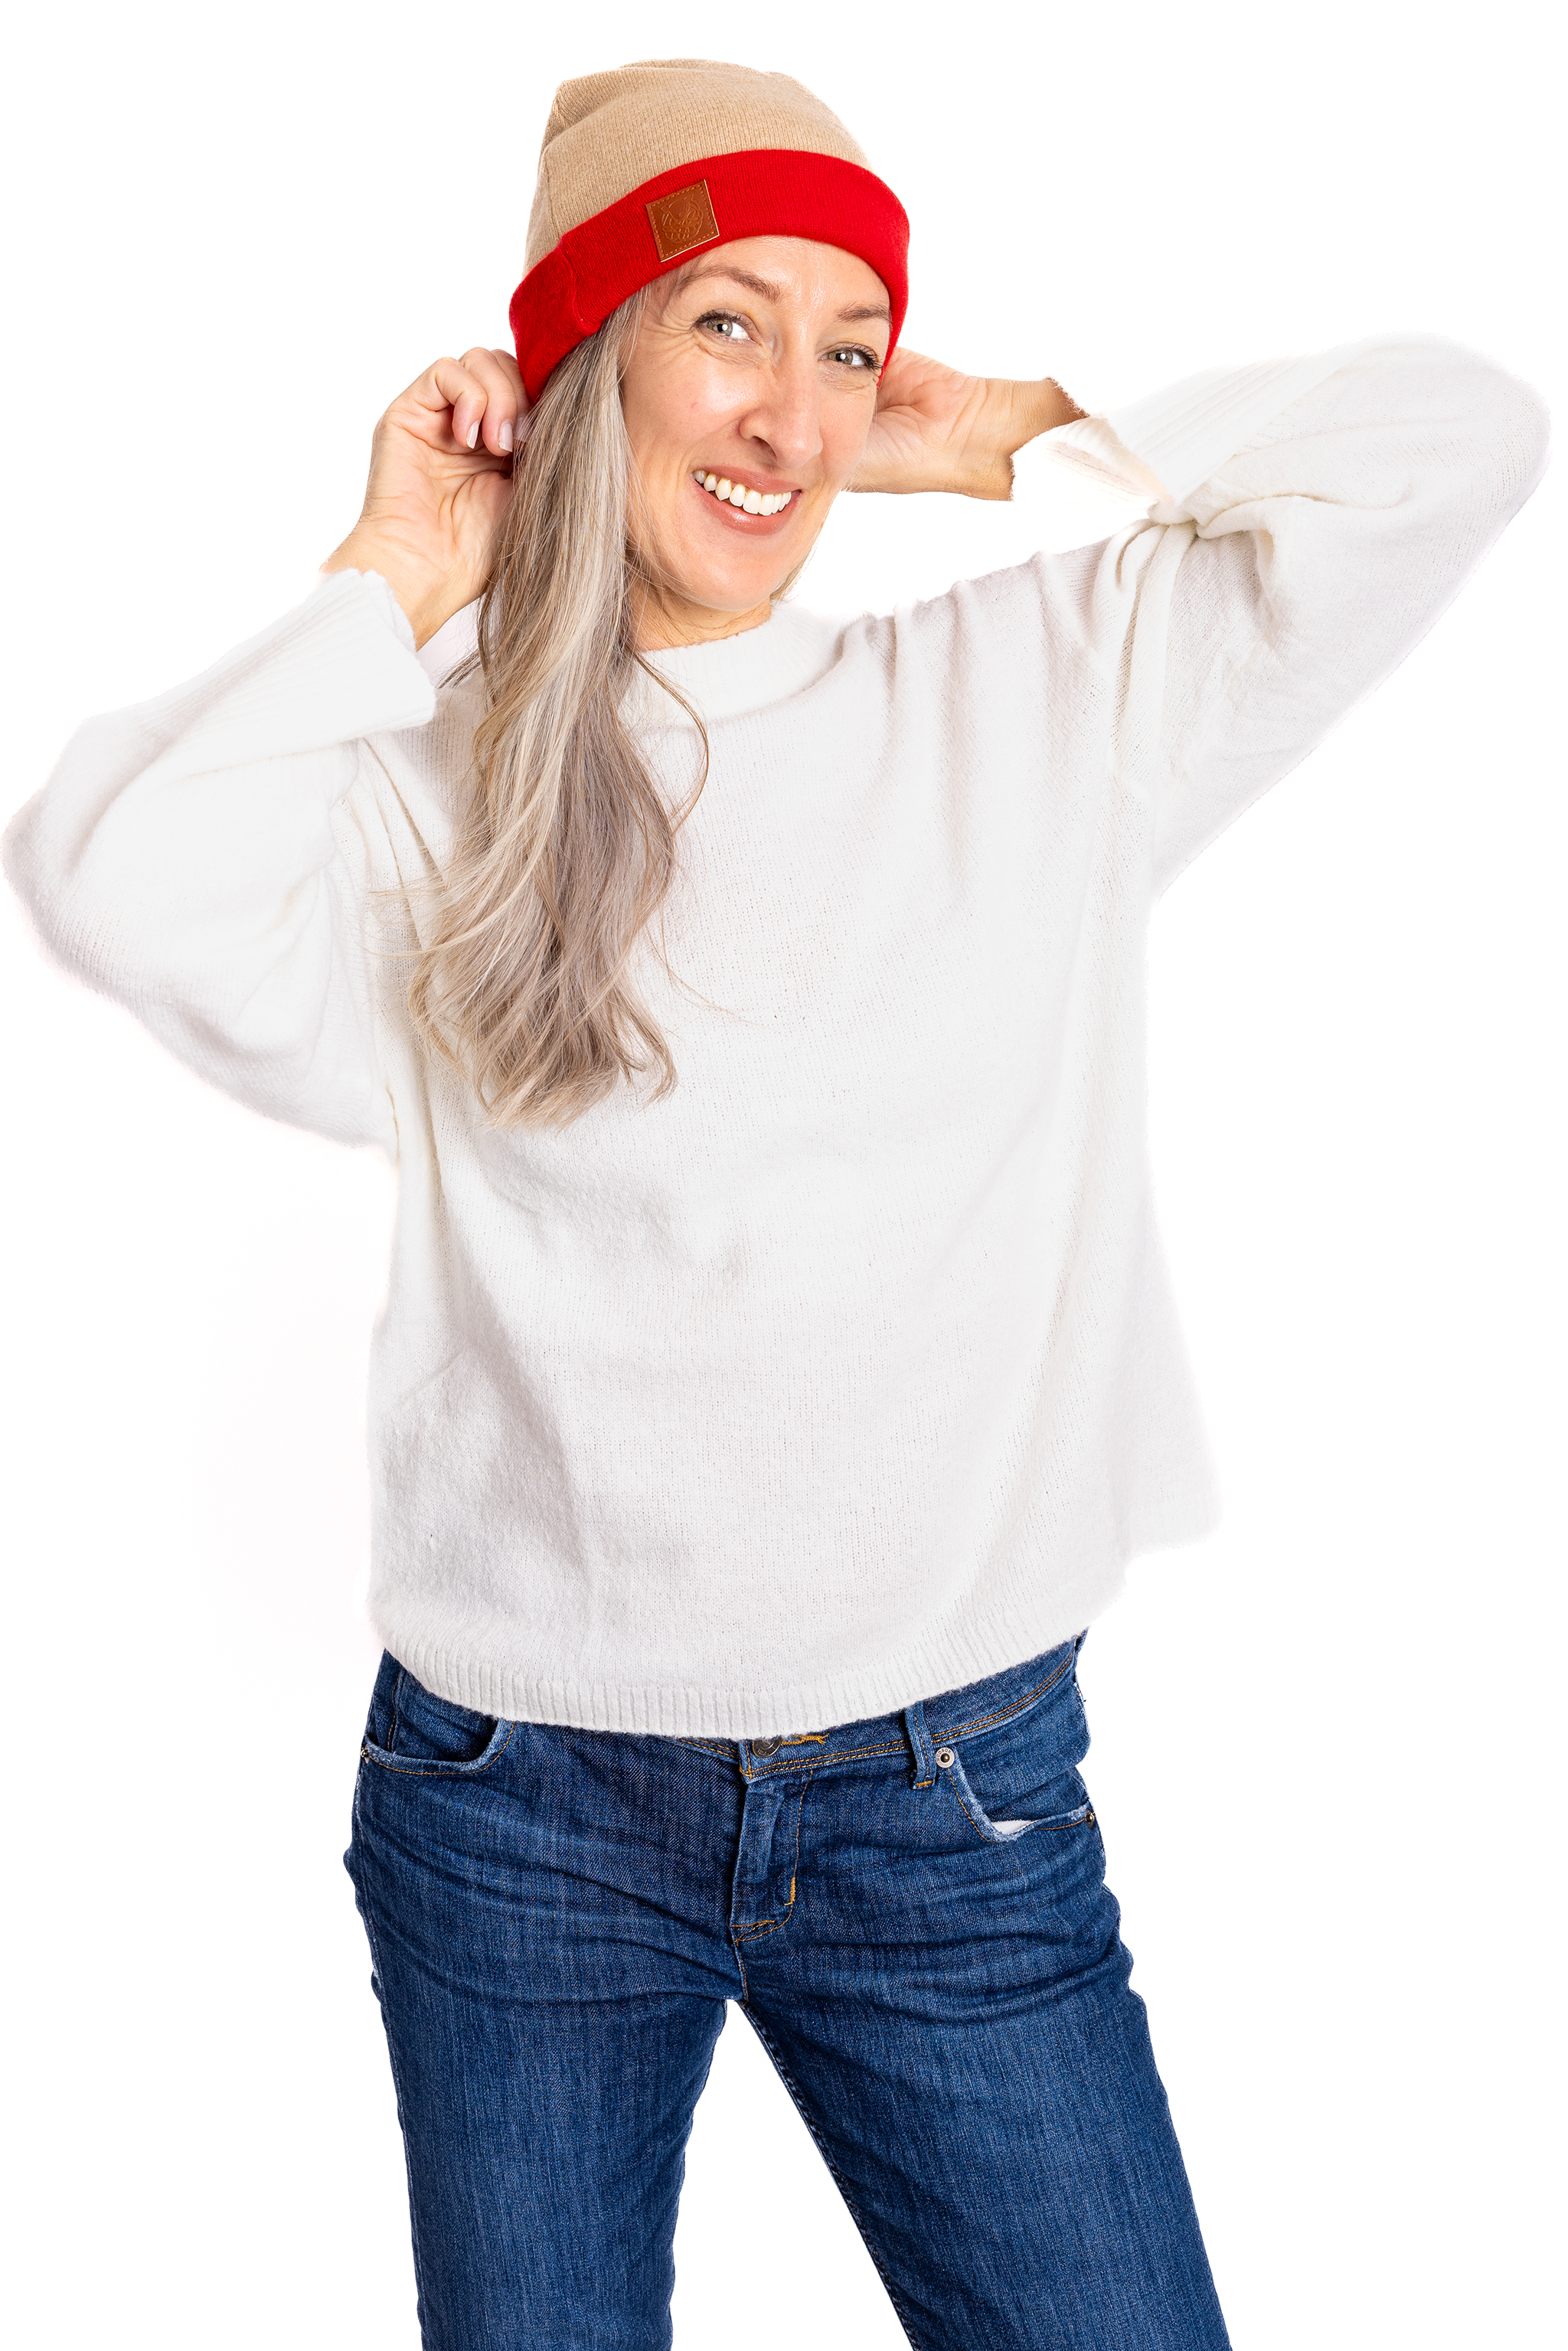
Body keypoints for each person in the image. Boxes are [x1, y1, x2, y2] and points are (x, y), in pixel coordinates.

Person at [4, 52, 1548, 2351]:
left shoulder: (1046, 694)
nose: (791, 412)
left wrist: (1002, 429)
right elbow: (104, 868)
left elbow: (1465, 432)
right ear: (579, 353)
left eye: (847, 345)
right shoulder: (428, 803)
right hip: (515, 1815)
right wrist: (401, 569)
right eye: (727, 321)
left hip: (956, 1810)